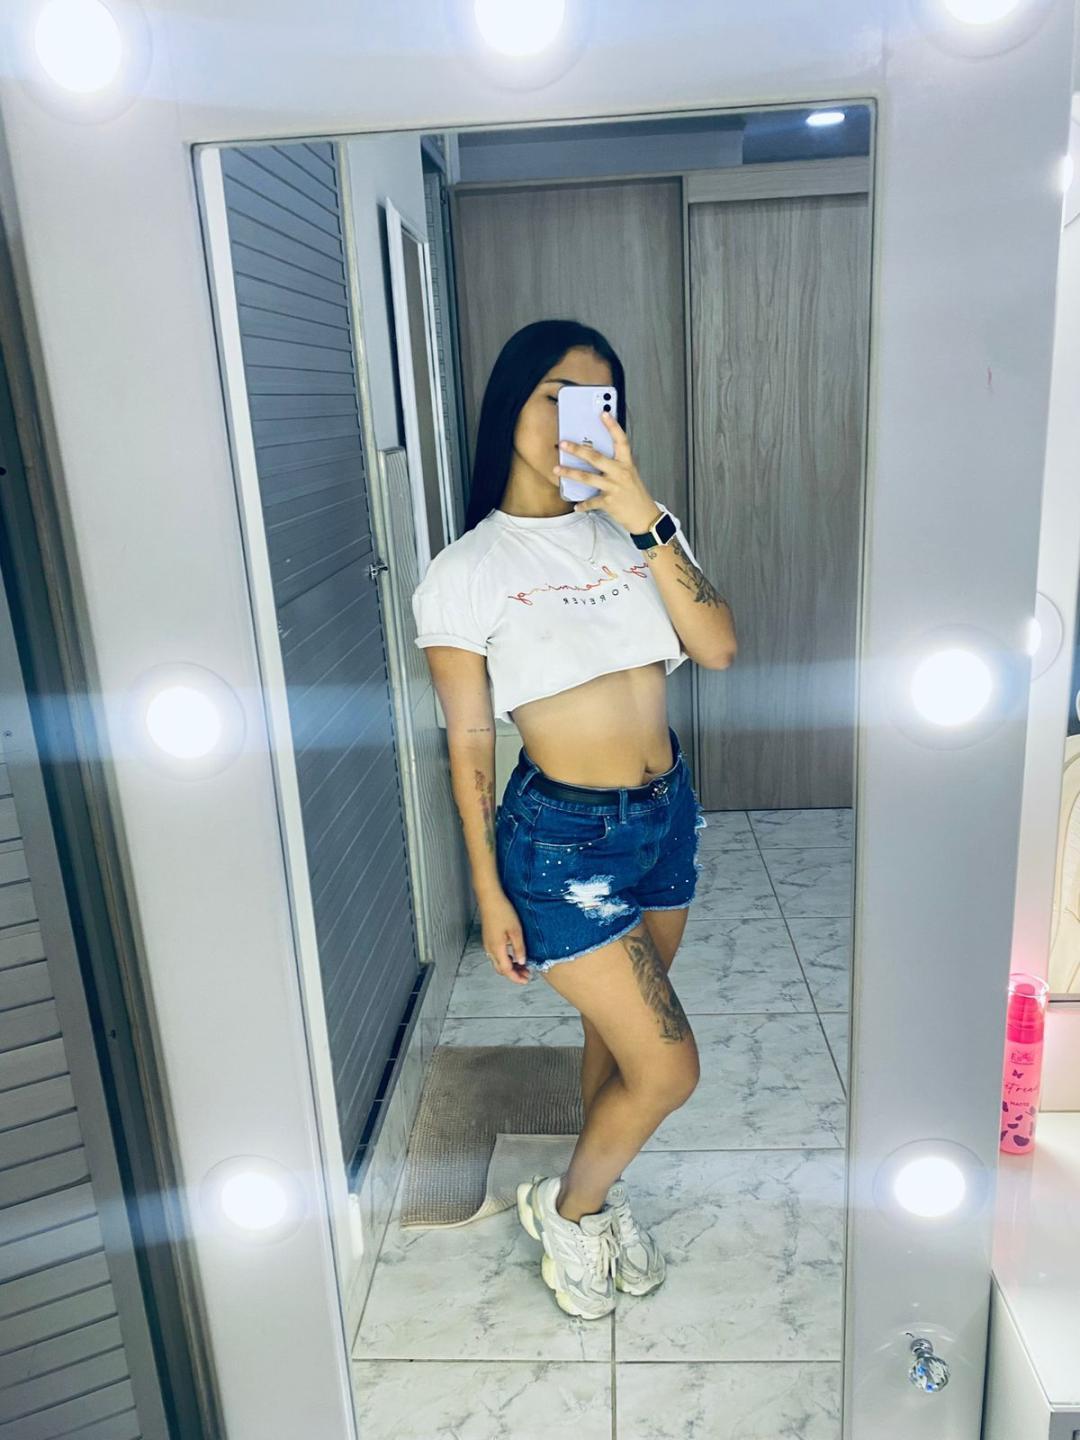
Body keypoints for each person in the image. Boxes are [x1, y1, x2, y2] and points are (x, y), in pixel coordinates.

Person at [412, 319, 737, 1320]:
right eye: (555, 395)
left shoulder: (640, 528)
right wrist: (486, 891)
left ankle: (592, 1191)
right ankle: (570, 1209)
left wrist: (643, 516)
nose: (573, 419)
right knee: (668, 1067)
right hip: (565, 844)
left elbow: (717, 647)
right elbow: (471, 747)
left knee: (620, 1039)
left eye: (597, 402)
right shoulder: (465, 570)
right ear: (510, 403)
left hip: (665, 817)